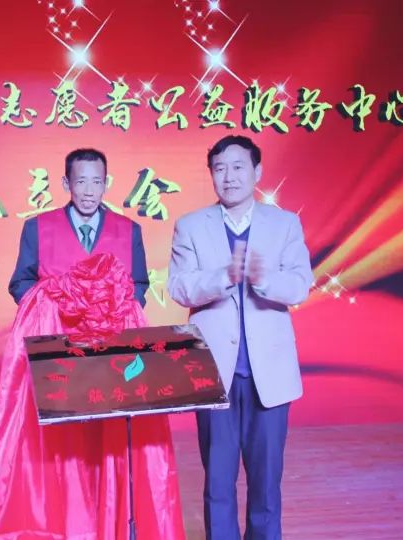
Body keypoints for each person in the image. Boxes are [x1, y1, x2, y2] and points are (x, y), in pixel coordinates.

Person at [0, 148, 185, 539]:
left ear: (106, 183)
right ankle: (63, 525)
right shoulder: (38, 228)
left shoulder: (128, 230)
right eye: (81, 182)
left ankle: (112, 523)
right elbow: (20, 283)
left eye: (97, 182)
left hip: (112, 355)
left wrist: (109, 311)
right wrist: (59, 307)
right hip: (58, 356)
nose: (89, 191)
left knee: (109, 440)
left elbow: (138, 286)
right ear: (66, 183)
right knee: (63, 443)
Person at [167, 135, 313, 539]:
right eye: (220, 169)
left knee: (266, 483)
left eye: (237, 167)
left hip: (271, 374)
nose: (229, 177)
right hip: (213, 373)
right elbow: (178, 287)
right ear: (211, 175)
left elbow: (300, 285)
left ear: (257, 172)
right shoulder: (191, 226)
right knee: (218, 483)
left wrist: (263, 280)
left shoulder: (284, 224)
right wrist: (224, 276)